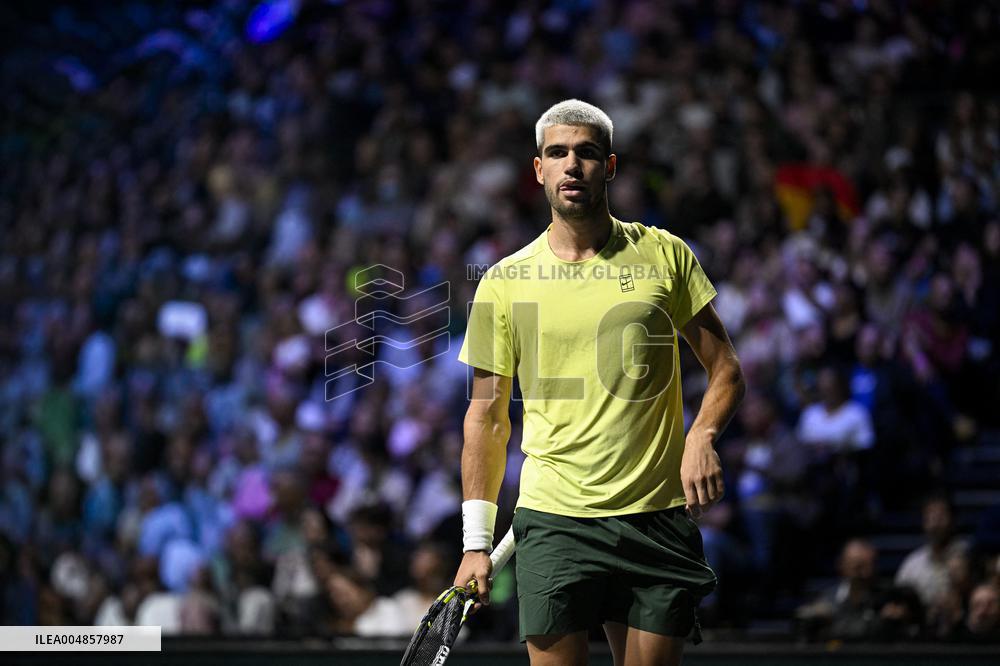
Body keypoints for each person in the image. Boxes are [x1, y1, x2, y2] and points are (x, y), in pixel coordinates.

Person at [453, 100, 746, 666]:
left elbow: (727, 370)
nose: (572, 165)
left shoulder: (664, 255)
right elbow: (486, 419)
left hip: (657, 517)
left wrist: (703, 434)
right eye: (557, 153)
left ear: (609, 166)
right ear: (538, 170)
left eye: (586, 153)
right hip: (555, 521)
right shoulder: (504, 281)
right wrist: (474, 543)